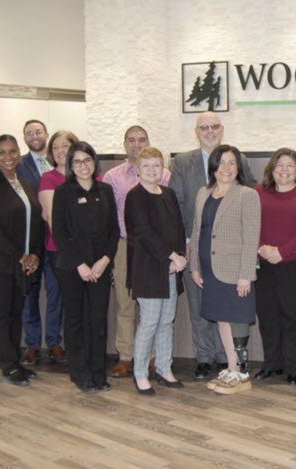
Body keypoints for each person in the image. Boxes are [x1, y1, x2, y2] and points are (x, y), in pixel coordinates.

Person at [170, 111, 256, 379]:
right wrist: (188, 245)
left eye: (214, 126)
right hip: (196, 249)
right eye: (204, 127)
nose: (209, 131)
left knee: (226, 311)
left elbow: (249, 201)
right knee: (199, 307)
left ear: (222, 129)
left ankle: (225, 359)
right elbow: (178, 203)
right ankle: (204, 357)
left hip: (230, 255)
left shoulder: (239, 159)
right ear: (197, 131)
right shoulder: (183, 162)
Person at [189, 145, 260, 394]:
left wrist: (245, 275)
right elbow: (197, 232)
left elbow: (251, 238)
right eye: (221, 163)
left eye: (231, 163)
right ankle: (231, 367)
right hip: (209, 268)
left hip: (234, 269)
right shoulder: (202, 193)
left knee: (237, 319)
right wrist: (194, 267)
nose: (226, 168)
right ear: (213, 167)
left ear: (238, 167)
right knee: (221, 319)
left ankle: (240, 372)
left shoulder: (247, 195)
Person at [51, 142, 119, 393]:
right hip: (72, 268)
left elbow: (114, 231)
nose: (83, 166)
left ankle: (98, 374)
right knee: (76, 320)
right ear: (70, 165)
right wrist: (79, 264)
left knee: (98, 320)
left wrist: (104, 261)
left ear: (95, 162)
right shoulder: (63, 192)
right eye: (77, 161)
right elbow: (59, 232)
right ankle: (80, 373)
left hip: (100, 267)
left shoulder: (106, 190)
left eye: (87, 160)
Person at [0, 135, 44, 386]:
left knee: (17, 313)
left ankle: (15, 361)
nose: (8, 157)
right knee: (4, 315)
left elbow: (36, 221)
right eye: (2, 152)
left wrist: (35, 253)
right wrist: (20, 256)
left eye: (13, 152)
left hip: (24, 263)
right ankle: (8, 365)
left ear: (19, 153)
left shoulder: (25, 183)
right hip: (1, 263)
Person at [104, 125, 170, 379]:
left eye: (142, 139)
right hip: (124, 244)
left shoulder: (164, 174)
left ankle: (152, 357)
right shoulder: (112, 176)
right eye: (131, 140)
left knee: (152, 304)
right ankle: (126, 356)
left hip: (153, 247)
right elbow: (108, 217)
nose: (137, 144)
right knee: (125, 302)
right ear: (124, 144)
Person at [254, 148, 296, 385]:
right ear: (271, 169)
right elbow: (249, 224)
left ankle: (294, 368)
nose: (284, 170)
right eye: (279, 165)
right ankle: (272, 364)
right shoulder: (258, 193)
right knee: (268, 317)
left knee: (293, 317)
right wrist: (262, 248)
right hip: (264, 264)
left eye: (289, 165)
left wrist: (281, 252)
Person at [124, 147, 186, 395]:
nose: (152, 170)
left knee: (166, 322)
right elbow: (143, 232)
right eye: (146, 166)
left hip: (171, 268)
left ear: (163, 169)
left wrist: (179, 257)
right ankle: (140, 373)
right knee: (149, 322)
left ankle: (163, 367)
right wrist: (170, 256)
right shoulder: (135, 196)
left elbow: (179, 228)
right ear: (138, 170)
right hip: (148, 268)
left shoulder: (168, 194)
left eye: (156, 165)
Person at [26, 130, 79, 365]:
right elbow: (50, 217)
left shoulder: (87, 175)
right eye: (55, 147)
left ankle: (75, 345)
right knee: (56, 297)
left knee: (78, 302)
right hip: (57, 249)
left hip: (87, 252)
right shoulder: (49, 178)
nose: (60, 151)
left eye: (65, 146)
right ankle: (54, 343)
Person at [15, 120, 66, 366]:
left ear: (46, 134)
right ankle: (33, 344)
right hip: (32, 240)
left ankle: (54, 341)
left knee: (56, 293)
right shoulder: (18, 165)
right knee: (30, 294)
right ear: (24, 138)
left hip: (56, 243)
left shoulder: (63, 165)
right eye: (29, 133)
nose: (34, 136)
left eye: (38, 131)